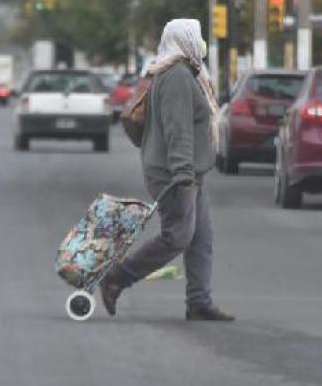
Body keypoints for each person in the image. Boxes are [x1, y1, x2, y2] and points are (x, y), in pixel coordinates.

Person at [100, 19, 234, 322]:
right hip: (175, 172)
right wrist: (183, 173)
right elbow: (178, 129)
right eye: (196, 37)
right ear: (184, 40)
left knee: (201, 238)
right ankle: (117, 278)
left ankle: (199, 301)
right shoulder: (175, 77)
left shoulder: (184, 74)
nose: (200, 44)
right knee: (177, 236)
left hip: (189, 171)